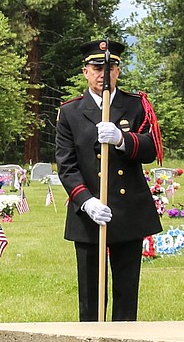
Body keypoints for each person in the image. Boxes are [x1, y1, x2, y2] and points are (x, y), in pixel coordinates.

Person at [55, 41, 163, 321]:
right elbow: (66, 165)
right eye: (97, 68)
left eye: (110, 67)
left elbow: (152, 149)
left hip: (128, 208)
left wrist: (122, 139)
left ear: (118, 71)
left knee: (127, 288)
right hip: (90, 209)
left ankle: (125, 341)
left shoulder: (136, 105)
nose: (103, 73)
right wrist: (86, 201)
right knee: (90, 290)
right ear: (85, 72)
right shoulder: (70, 112)